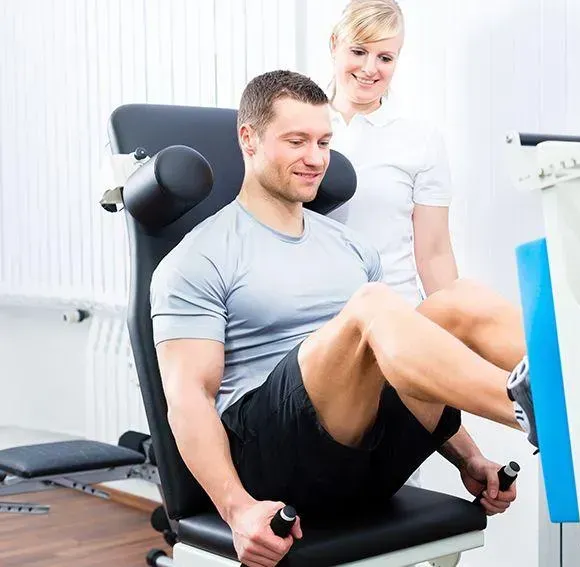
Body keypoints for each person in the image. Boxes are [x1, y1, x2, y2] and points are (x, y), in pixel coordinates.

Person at [150, 70, 538, 567]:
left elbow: (410, 358)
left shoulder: (351, 246)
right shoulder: (199, 257)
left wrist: (470, 458)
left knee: (455, 301)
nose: (316, 159)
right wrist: (238, 510)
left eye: (324, 141)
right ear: (248, 138)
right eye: (296, 141)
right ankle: (543, 411)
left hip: (364, 460)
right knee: (375, 306)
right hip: (273, 462)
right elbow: (189, 399)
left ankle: (574, 388)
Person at [325, 0, 458, 306]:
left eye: (384, 57)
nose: (370, 69)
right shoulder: (298, 127)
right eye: (358, 51)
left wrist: (455, 327)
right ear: (335, 44)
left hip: (395, 312)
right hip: (314, 316)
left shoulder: (420, 140)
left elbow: (435, 253)